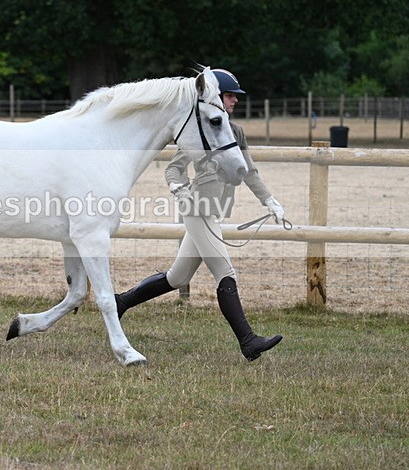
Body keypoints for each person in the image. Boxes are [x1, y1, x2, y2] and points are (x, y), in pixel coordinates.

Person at [115, 69, 284, 361]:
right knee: (225, 273)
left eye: (235, 97)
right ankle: (248, 341)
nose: (235, 101)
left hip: (215, 211)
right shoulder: (199, 132)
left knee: (177, 277)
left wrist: (269, 200)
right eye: (230, 96)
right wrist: (179, 191)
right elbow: (174, 169)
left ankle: (121, 302)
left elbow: (249, 171)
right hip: (197, 209)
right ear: (216, 97)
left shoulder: (236, 132)